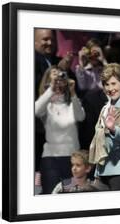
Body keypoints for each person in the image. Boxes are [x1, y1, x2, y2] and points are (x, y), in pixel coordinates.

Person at [35, 69, 85, 194]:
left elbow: (80, 116)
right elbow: (36, 111)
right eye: (55, 79)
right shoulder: (46, 104)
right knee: (51, 196)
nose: (58, 83)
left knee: (70, 196)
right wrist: (51, 87)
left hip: (72, 158)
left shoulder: (72, 102)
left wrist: (73, 93)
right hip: (51, 158)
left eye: (61, 80)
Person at [89, 63, 120, 191]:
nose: (110, 88)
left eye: (113, 83)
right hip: (102, 170)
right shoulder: (106, 107)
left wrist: (113, 129)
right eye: (107, 84)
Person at [34, 29, 61, 189]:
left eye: (51, 39)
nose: (49, 43)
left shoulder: (55, 60)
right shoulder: (30, 61)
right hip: (39, 126)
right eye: (45, 40)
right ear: (35, 42)